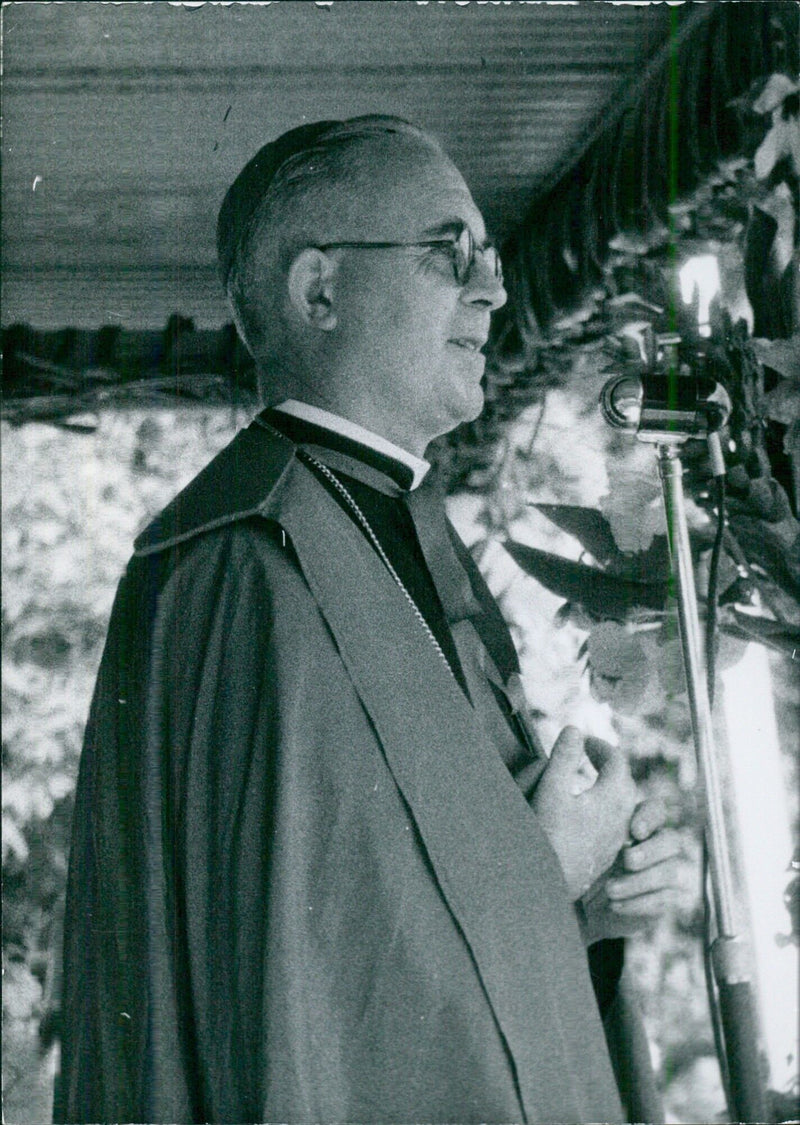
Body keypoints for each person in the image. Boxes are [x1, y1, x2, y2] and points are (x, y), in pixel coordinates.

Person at [55, 116, 680, 1124]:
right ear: (319, 291)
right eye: (450, 255)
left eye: (490, 259)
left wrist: (581, 908)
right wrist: (542, 870)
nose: (495, 288)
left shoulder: (407, 530)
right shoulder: (241, 562)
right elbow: (291, 993)